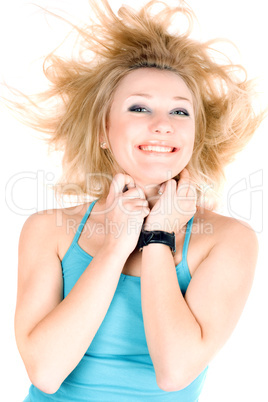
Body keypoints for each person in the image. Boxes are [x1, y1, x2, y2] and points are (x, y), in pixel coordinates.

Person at [13, 0, 264, 400]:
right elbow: (45, 371)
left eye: (180, 112)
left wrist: (158, 237)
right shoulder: (48, 231)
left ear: (194, 136)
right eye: (140, 107)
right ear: (102, 131)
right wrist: (115, 247)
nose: (163, 125)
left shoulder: (228, 240)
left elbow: (175, 371)